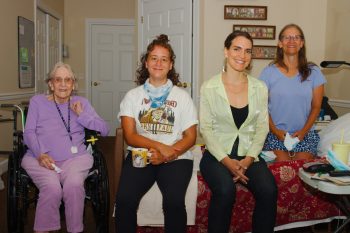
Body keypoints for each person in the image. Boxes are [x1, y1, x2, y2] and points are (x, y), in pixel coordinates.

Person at [115, 34, 198, 233]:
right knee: (125, 200)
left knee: (174, 202)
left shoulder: (183, 97)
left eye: (164, 59)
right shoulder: (132, 96)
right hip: (141, 154)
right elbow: (130, 136)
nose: (158, 63)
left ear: (171, 65)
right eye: (154, 58)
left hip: (177, 157)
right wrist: (160, 148)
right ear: (146, 63)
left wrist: (170, 153)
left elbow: (190, 137)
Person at [199, 31, 277, 233]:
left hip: (248, 155)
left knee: (269, 190)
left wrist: (249, 159)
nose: (242, 55)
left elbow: (262, 127)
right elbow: (205, 129)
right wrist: (227, 161)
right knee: (225, 191)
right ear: (226, 51)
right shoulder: (209, 87)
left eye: (248, 51)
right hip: (217, 156)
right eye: (237, 48)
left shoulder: (260, 88)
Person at [21, 62, 109, 233]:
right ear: (51, 84)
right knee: (52, 187)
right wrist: (40, 154)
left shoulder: (81, 102)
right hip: (39, 158)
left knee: (74, 185)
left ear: (73, 84)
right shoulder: (37, 102)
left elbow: (104, 130)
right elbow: (29, 132)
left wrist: (82, 115)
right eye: (58, 80)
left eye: (68, 80)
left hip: (75, 159)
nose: (63, 84)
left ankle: (75, 230)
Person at [259, 23, 326, 161]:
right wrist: (276, 131)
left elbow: (316, 106)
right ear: (280, 43)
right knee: (283, 169)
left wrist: (303, 132)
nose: (291, 41)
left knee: (300, 168)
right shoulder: (268, 73)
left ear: (301, 43)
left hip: (305, 134)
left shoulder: (314, 72)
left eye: (296, 37)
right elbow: (262, 107)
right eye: (287, 37)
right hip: (275, 134)